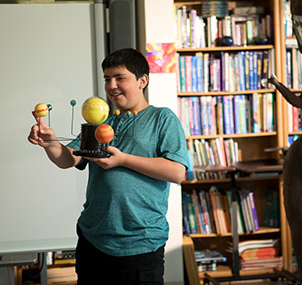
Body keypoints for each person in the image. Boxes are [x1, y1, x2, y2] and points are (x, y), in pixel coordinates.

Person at [28, 48, 188, 284]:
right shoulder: (100, 120)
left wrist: (123, 159)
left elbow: (177, 172)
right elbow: (69, 158)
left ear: (142, 80)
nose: (111, 86)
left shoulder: (162, 119)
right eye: (107, 79)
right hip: (93, 240)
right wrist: (50, 143)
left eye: (120, 78)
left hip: (140, 244)